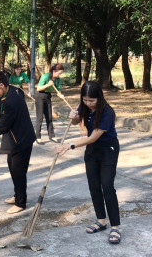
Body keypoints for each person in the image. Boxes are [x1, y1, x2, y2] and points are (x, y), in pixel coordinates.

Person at [55, 81, 121, 244]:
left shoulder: (107, 113)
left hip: (108, 149)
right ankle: (101, 220)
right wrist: (75, 117)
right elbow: (77, 122)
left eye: (92, 100)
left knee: (107, 186)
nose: (88, 103)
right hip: (92, 150)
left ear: (99, 97)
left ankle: (116, 227)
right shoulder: (84, 105)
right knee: (93, 185)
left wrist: (69, 145)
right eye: (85, 100)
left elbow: (92, 137)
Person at [0, 71, 36, 214]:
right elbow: (5, 107)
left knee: (19, 172)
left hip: (21, 140)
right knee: (13, 168)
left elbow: (4, 124)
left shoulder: (11, 100)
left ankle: (20, 203)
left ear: (2, 85)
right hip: (18, 138)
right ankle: (17, 195)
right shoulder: (14, 90)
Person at [35, 63, 64, 144]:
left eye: (61, 73)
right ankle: (38, 137)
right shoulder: (45, 76)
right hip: (40, 96)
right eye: (59, 73)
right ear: (54, 71)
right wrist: (48, 84)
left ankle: (52, 136)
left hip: (48, 96)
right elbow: (38, 88)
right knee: (40, 118)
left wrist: (60, 95)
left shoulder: (58, 80)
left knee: (49, 117)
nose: (59, 75)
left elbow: (58, 91)